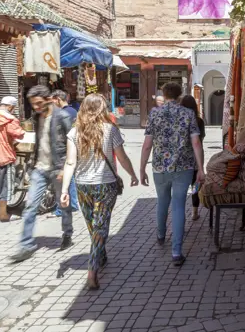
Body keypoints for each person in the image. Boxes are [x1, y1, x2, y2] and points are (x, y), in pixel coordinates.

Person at [60, 94, 141, 290]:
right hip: (106, 184)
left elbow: (70, 162)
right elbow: (121, 157)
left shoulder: (74, 132)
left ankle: (100, 256)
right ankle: (92, 269)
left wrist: (65, 189)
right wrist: (132, 174)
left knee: (93, 225)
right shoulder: (110, 129)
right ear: (101, 109)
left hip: (82, 186)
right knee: (100, 226)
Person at [141, 82, 205, 266]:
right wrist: (201, 168)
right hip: (183, 166)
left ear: (164, 94)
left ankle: (161, 235)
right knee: (178, 205)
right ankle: (176, 252)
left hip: (160, 167)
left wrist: (141, 168)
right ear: (180, 95)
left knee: (162, 200)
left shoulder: (154, 113)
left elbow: (147, 145)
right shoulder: (188, 114)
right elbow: (196, 143)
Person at [11, 85, 74, 263]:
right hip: (39, 168)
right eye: (33, 104)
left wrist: (65, 168)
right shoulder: (37, 117)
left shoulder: (63, 116)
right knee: (30, 206)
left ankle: (67, 233)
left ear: (48, 99)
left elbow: (72, 143)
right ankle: (26, 246)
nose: (36, 107)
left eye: (38, 103)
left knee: (63, 204)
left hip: (58, 168)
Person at [50, 90, 80, 217]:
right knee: (70, 178)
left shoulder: (62, 113)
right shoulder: (73, 111)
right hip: (71, 148)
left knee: (62, 179)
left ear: (57, 99)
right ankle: (72, 203)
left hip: (63, 149)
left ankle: (61, 208)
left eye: (52, 101)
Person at [180, 95, 205, 220]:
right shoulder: (199, 121)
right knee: (196, 186)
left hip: (183, 158)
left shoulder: (179, 120)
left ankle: (181, 213)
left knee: (182, 188)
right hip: (196, 157)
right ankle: (194, 212)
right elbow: (200, 139)